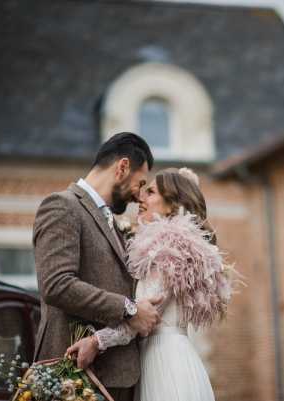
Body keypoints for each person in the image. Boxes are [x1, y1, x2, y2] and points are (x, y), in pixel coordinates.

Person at [67, 167, 237, 401]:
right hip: (163, 357)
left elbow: (144, 315)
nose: (140, 197)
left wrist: (97, 341)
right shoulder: (164, 248)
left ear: (172, 206)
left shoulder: (169, 249)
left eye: (151, 192)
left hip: (165, 363)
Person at [33, 132, 163, 401]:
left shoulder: (115, 224)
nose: (139, 195)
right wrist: (129, 309)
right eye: (140, 183)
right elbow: (57, 284)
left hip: (117, 376)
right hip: (75, 375)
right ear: (122, 167)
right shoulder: (63, 206)